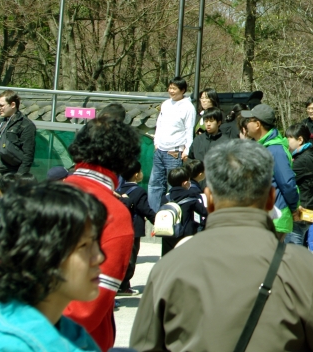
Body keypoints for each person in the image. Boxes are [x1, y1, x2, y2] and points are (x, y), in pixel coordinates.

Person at [131, 140, 313, 351]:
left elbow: (144, 345)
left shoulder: (169, 267)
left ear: (209, 198)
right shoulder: (302, 268)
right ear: (270, 199)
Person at [0, 182, 105, 352]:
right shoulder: (9, 347)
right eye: (84, 245)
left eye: (96, 242)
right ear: (38, 255)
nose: (99, 257)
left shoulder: (67, 331)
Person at [63, 116, 140, 351]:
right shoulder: (114, 212)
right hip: (79, 341)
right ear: (125, 158)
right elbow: (91, 303)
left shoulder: (43, 195)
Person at [242, 103, 298, 238]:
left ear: (257, 124)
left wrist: (294, 207)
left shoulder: (275, 150)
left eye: (249, 120)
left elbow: (287, 183)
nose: (246, 124)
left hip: (274, 219)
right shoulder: (263, 147)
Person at [148, 77, 197, 212]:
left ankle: (172, 213)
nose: (171, 91)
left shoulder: (188, 107)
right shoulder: (165, 104)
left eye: (174, 88)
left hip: (174, 151)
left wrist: (187, 149)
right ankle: (154, 214)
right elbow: (159, 124)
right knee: (155, 183)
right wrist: (156, 142)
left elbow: (189, 129)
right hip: (160, 149)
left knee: (173, 185)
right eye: (170, 88)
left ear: (182, 90)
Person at [118, 160, 155, 295]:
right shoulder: (139, 191)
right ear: (136, 175)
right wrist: (158, 220)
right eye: (140, 171)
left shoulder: (118, 190)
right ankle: (123, 287)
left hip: (120, 228)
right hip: (133, 229)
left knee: (121, 257)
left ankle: (121, 284)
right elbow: (145, 210)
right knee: (131, 258)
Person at [286, 123, 313, 246]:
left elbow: (286, 181)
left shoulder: (302, 160)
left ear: (300, 140)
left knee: (293, 250)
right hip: (307, 208)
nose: (286, 141)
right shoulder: (309, 156)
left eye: (289, 138)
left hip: (299, 210)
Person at [158, 166, 207, 256]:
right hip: (185, 235)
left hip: (168, 234)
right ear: (185, 183)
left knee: (168, 259)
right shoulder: (190, 195)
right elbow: (204, 212)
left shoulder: (166, 198)